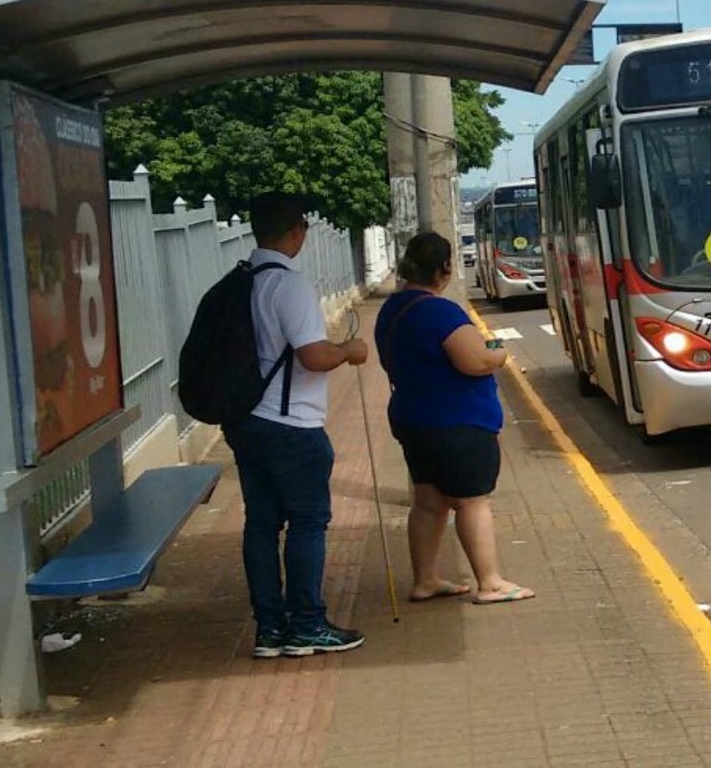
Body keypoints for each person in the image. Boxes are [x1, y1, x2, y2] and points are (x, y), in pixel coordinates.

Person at [224, 193, 372, 659]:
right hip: (291, 424)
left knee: (262, 525)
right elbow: (313, 356)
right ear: (295, 230)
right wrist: (349, 350)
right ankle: (307, 625)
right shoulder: (290, 287)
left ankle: (270, 629)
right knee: (308, 522)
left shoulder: (240, 282)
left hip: (247, 421)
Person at [374, 232, 534, 606]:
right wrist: (498, 355)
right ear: (444, 268)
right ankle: (490, 582)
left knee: (429, 500)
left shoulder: (392, 309)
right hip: (457, 423)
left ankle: (425, 578)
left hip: (414, 419)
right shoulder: (438, 311)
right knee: (472, 501)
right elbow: (474, 360)